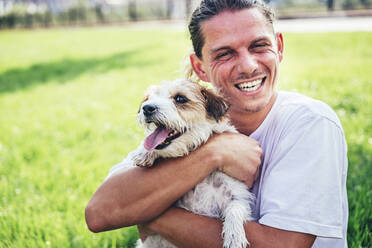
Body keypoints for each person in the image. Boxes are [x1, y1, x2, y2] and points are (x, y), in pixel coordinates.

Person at [85, 0, 348, 247]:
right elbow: (100, 213)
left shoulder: (311, 123)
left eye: (259, 45)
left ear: (279, 47)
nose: (247, 66)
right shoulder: (181, 130)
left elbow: (284, 245)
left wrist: (147, 213)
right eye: (225, 53)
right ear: (199, 67)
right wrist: (215, 152)